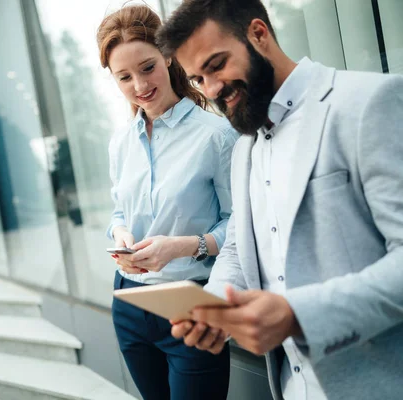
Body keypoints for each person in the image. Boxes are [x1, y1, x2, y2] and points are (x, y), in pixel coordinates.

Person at [155, 1, 403, 399]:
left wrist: (296, 315)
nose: (212, 89)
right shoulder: (242, 148)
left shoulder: (368, 103)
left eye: (217, 65)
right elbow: (238, 248)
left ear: (258, 33)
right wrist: (215, 308)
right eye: (198, 79)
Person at [97, 5, 239, 400]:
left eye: (147, 68)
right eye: (124, 77)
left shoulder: (217, 136)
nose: (139, 84)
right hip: (128, 304)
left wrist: (186, 246)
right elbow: (119, 211)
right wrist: (120, 232)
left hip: (190, 306)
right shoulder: (120, 143)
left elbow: (243, 226)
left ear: (168, 57)